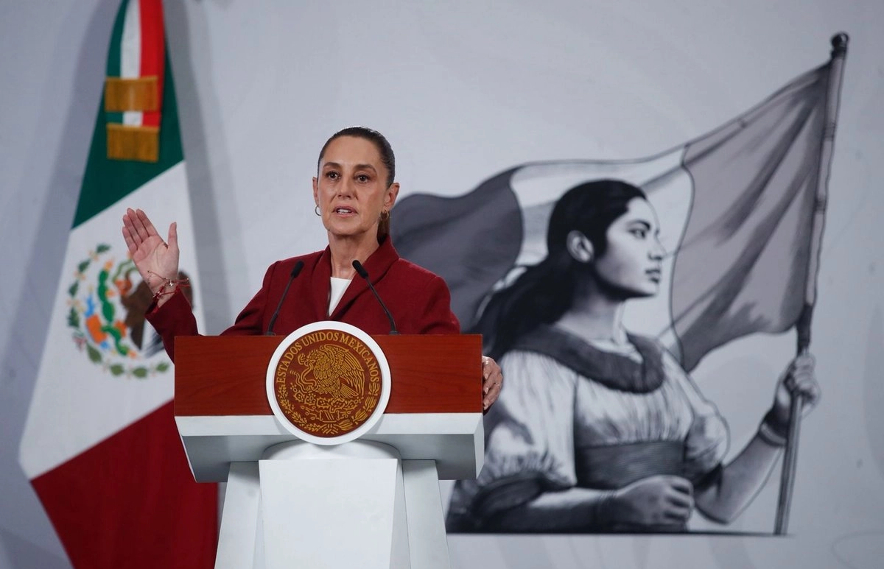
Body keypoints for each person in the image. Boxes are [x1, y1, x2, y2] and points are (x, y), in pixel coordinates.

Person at [445, 179, 821, 533]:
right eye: (639, 233)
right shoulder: (533, 367)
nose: (658, 250)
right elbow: (502, 512)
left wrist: (778, 424)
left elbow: (717, 503)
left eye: (655, 235)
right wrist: (611, 506)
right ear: (582, 247)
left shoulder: (657, 363)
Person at [121, 126, 502, 410]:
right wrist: (164, 288)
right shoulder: (285, 279)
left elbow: (453, 391)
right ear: (316, 190)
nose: (344, 189)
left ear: (389, 197)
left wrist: (479, 376)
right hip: (283, 488)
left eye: (363, 178)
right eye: (333, 175)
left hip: (377, 497)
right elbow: (208, 369)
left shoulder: (420, 289)